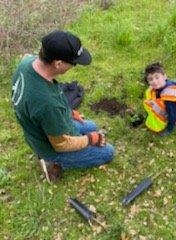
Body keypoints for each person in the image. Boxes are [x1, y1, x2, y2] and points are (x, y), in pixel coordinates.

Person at [11, 30, 115, 182]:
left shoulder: (28, 62)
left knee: (92, 125)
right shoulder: (46, 103)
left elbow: (52, 100)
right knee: (108, 152)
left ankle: (70, 136)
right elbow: (61, 144)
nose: (74, 66)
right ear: (58, 63)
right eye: (73, 63)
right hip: (50, 146)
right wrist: (89, 139)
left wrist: (69, 112)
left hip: (42, 127)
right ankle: (52, 162)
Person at [143, 62, 176, 136]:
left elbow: (173, 114)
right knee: (150, 92)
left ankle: (169, 127)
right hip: (170, 108)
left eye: (157, 77)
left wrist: (169, 129)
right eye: (150, 79)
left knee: (161, 108)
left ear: (165, 77)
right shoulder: (160, 86)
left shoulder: (170, 96)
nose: (154, 81)